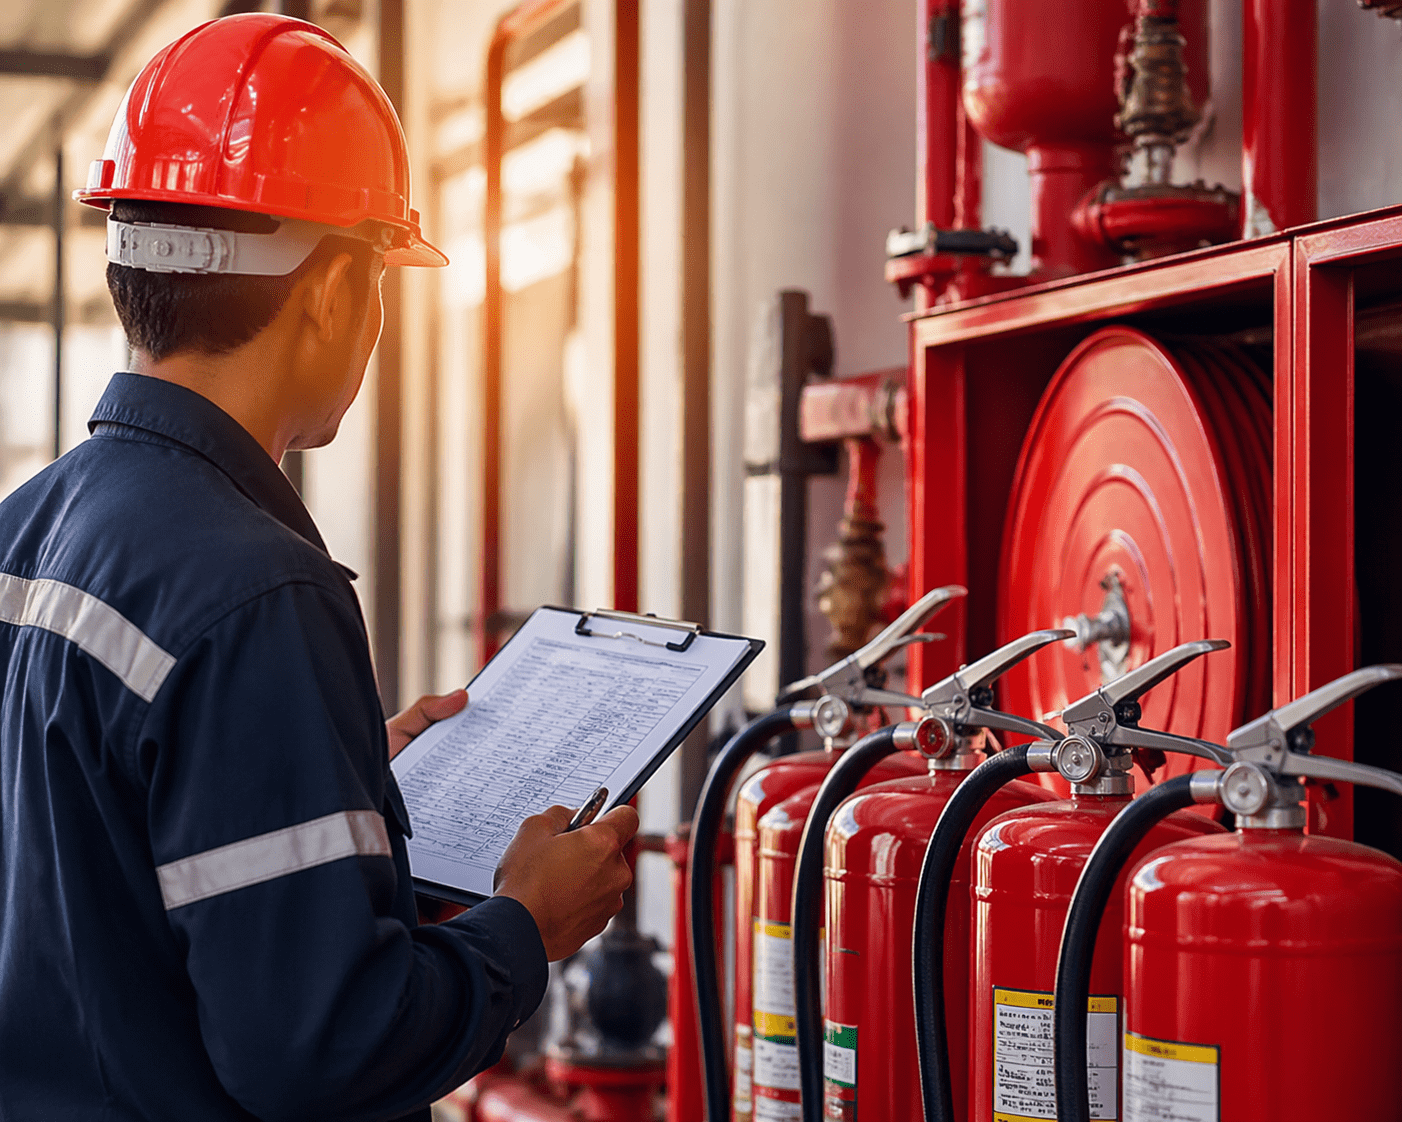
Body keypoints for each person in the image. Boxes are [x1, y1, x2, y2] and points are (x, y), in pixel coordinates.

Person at [0, 13, 637, 1122]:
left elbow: (95, 855)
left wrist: (335, 775)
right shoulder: (256, 594)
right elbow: (321, 1052)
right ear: (338, 292)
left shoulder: (25, 529)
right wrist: (525, 930)